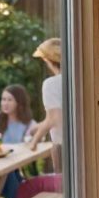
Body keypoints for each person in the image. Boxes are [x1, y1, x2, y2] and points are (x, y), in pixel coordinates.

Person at [27, 38, 63, 170]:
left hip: (63, 147)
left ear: (47, 60)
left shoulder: (51, 84)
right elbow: (58, 116)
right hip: (85, 142)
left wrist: (34, 142)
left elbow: (54, 119)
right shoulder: (78, 79)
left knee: (63, 187)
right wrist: (38, 127)